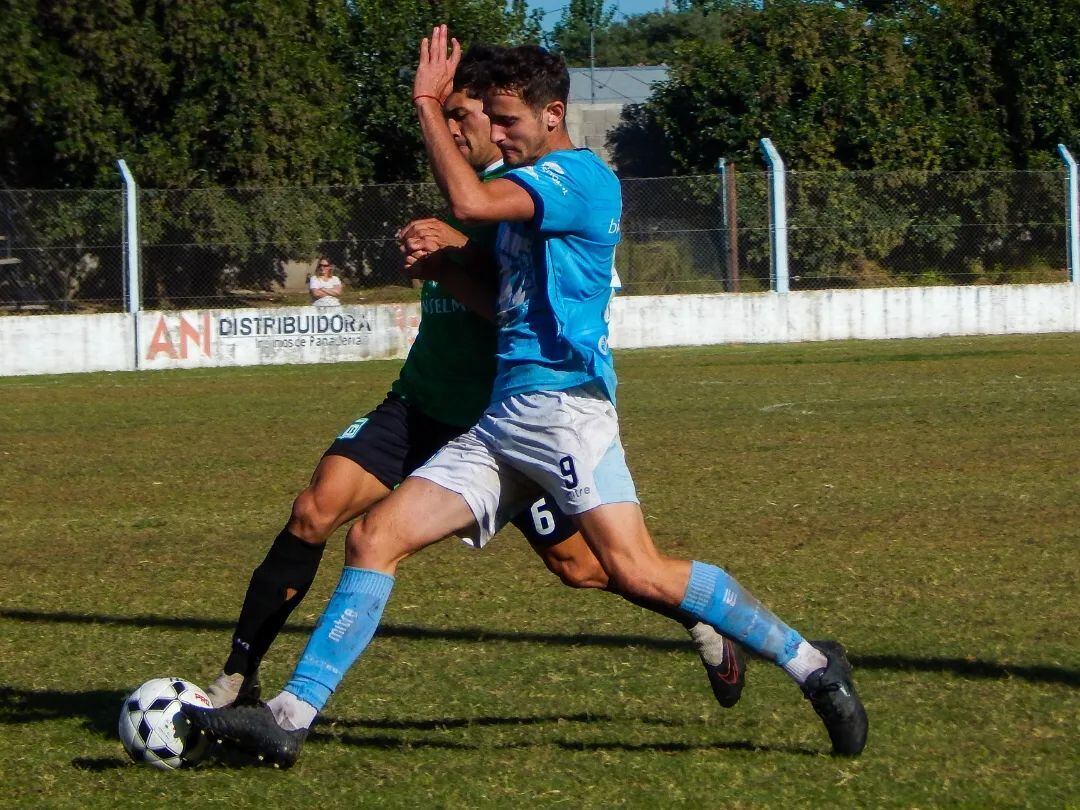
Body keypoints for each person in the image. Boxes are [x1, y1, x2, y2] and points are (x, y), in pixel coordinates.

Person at [188, 32, 866, 768]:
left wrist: (423, 103)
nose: (495, 134)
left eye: (506, 120)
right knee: (373, 537)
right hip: (505, 418)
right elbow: (491, 274)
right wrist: (446, 263)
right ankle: (288, 719)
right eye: (492, 120)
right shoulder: (527, 194)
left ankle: (811, 664)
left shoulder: (578, 177)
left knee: (633, 569)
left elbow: (468, 197)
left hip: (568, 412)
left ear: (553, 114)